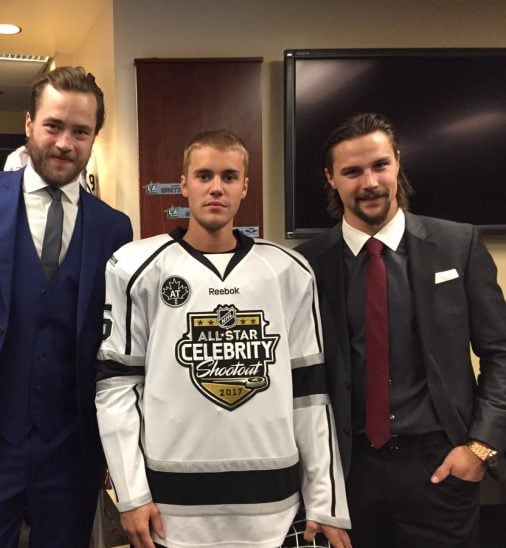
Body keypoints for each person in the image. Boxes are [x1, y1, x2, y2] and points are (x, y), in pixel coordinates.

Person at [95, 129, 351, 548]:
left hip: (273, 506)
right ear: (184, 183)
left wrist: (326, 503)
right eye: (204, 175)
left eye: (229, 176)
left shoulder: (288, 269)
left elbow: (310, 394)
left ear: (245, 186)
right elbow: (115, 389)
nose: (216, 187)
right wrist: (131, 494)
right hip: (172, 509)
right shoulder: (134, 267)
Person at [0, 66, 132, 547]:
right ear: (29, 124)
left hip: (70, 448)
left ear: (94, 137)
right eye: (53, 125)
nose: (64, 143)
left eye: (80, 131)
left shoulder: (114, 227)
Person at [297, 112, 506, 547]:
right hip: (347, 474)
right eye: (352, 172)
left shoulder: (458, 246)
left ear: (397, 163)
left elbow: (501, 352)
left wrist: (480, 448)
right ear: (331, 179)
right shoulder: (306, 265)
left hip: (440, 467)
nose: (369, 182)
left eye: (379, 165)